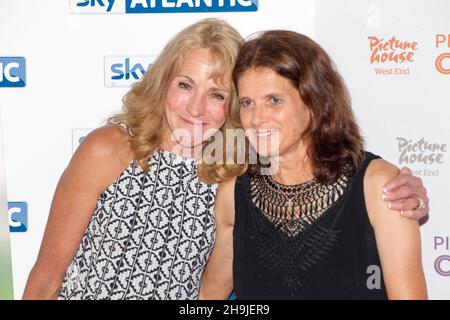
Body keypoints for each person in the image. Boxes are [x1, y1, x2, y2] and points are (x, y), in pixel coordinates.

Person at [22, 19, 427, 300]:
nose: (196, 108)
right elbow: (46, 275)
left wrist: (406, 195)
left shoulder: (235, 171)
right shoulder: (109, 149)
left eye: (217, 94)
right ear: (163, 82)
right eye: (184, 85)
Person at [199, 30, 428, 299]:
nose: (257, 118)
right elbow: (208, 298)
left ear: (314, 102)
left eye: (274, 100)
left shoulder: (380, 187)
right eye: (248, 103)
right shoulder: (234, 196)